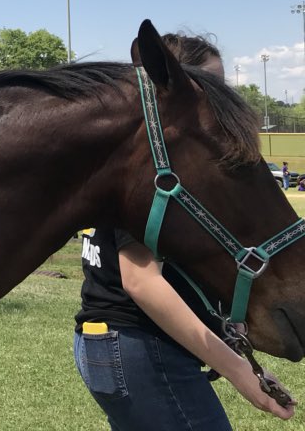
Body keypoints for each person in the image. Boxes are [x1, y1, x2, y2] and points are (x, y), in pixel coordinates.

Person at [74, 33, 295, 430]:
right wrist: (241, 373)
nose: (219, 96)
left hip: (120, 343)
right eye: (209, 84)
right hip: (138, 345)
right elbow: (141, 281)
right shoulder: (151, 174)